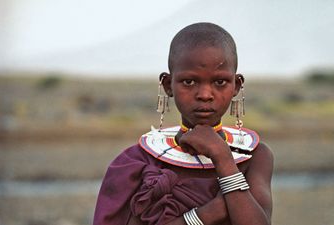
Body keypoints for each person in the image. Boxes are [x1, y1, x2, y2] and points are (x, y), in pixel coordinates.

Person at [93, 22, 273, 225]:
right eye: (189, 82)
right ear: (168, 85)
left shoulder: (255, 156)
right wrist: (211, 212)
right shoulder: (137, 161)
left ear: (236, 86)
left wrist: (223, 158)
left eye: (220, 82)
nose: (205, 95)